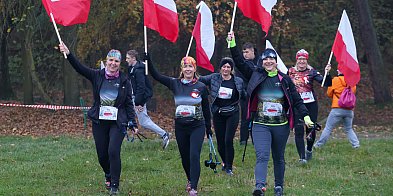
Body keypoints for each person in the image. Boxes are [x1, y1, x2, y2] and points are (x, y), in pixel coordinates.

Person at [227, 32, 314, 196]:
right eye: (265, 59)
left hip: (280, 126)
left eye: (271, 59)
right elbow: (239, 62)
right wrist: (232, 44)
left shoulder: (285, 80)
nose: (268, 61)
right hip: (260, 124)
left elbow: (296, 100)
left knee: (279, 157)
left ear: (275, 62)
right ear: (262, 62)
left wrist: (306, 116)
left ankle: (278, 186)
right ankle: (259, 187)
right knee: (262, 155)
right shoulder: (256, 75)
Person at [59, 43, 138, 195]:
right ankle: (108, 173)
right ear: (106, 61)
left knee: (113, 151)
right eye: (111, 60)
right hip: (99, 121)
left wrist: (132, 122)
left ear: (119, 64)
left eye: (116, 61)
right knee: (102, 155)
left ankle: (114, 185)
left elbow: (129, 103)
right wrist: (68, 54)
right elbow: (79, 68)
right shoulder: (97, 75)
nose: (113, 64)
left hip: (117, 122)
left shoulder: (124, 80)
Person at [145, 54, 211, 196]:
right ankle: (189, 178)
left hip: (197, 126)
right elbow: (156, 76)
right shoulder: (175, 83)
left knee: (194, 155)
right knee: (185, 156)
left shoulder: (201, 86)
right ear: (182, 69)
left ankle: (193, 187)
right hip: (181, 127)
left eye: (190, 66)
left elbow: (206, 108)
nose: (188, 69)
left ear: (194, 69)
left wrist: (209, 128)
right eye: (185, 66)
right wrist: (149, 60)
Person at [198, 57, 245, 175]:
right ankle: (224, 162)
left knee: (228, 140)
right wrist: (190, 72)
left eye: (228, 67)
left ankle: (229, 166)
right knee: (220, 141)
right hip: (218, 113)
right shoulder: (214, 78)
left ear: (231, 69)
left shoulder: (238, 81)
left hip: (232, 113)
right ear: (220, 68)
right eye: (224, 66)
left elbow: (243, 93)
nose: (226, 69)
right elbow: (200, 79)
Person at [287, 49, 332, 164]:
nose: (302, 61)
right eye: (300, 59)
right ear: (297, 60)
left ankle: (309, 150)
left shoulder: (312, 72)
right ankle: (302, 158)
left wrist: (327, 73)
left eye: (304, 59)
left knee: (310, 129)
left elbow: (326, 83)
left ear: (307, 60)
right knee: (298, 130)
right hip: (297, 105)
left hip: (310, 104)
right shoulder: (290, 72)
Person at [126, 50, 170, 149]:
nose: (126, 60)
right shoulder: (132, 69)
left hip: (138, 99)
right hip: (132, 97)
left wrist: (139, 102)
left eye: (128, 58)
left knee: (144, 122)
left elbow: (141, 87)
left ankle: (164, 134)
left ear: (133, 58)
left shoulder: (139, 70)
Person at [314, 70, 360, 148]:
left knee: (328, 128)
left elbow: (329, 93)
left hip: (337, 108)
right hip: (349, 109)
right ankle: (356, 145)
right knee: (349, 129)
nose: (337, 70)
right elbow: (353, 91)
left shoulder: (335, 80)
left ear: (340, 71)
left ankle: (319, 145)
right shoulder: (351, 81)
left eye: (338, 69)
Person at [236, 43, 258, 145]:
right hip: (245, 93)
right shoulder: (242, 64)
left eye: (247, 52)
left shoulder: (259, 62)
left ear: (252, 51)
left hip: (257, 93)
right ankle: (243, 140)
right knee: (245, 116)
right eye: (243, 52)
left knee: (256, 117)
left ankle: (256, 139)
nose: (245, 54)